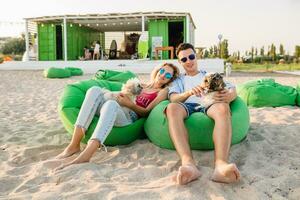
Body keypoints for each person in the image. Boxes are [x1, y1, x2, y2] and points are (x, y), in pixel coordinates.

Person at [55, 63, 179, 169]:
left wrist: (129, 104)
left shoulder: (163, 92)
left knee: (110, 104)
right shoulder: (140, 84)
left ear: (170, 80)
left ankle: (88, 153)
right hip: (118, 106)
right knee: (94, 89)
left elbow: (147, 112)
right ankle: (74, 145)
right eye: (162, 71)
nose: (163, 75)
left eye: (167, 75)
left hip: (130, 117)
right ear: (158, 70)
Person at [166, 43, 240, 185]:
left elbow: (232, 88)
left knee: (223, 108)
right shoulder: (179, 80)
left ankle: (221, 165)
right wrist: (189, 92)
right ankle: (188, 164)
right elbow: (173, 98)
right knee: (171, 108)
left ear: (196, 56)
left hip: (208, 103)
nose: (189, 61)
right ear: (180, 62)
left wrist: (229, 96)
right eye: (184, 59)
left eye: (191, 56)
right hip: (186, 105)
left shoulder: (208, 75)